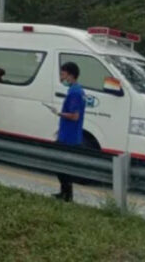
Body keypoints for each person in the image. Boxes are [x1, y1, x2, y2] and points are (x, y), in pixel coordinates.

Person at [53, 61, 86, 202]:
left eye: (63, 74)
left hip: (69, 136)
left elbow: (74, 116)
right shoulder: (78, 90)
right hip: (68, 133)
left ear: (71, 75)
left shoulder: (75, 92)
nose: (61, 77)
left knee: (60, 164)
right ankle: (65, 193)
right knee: (62, 165)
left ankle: (67, 195)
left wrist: (59, 113)